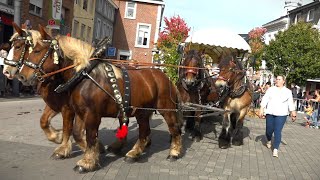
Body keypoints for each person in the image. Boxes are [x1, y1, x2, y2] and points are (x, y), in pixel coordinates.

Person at [258, 75, 296, 158]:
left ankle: (275, 149)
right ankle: (268, 139)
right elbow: (265, 99)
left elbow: (290, 103)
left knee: (277, 131)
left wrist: (293, 113)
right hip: (270, 113)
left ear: (283, 81)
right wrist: (261, 108)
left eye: (279, 79)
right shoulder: (271, 89)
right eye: (276, 79)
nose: (277, 81)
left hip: (282, 114)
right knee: (269, 130)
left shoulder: (288, 91)